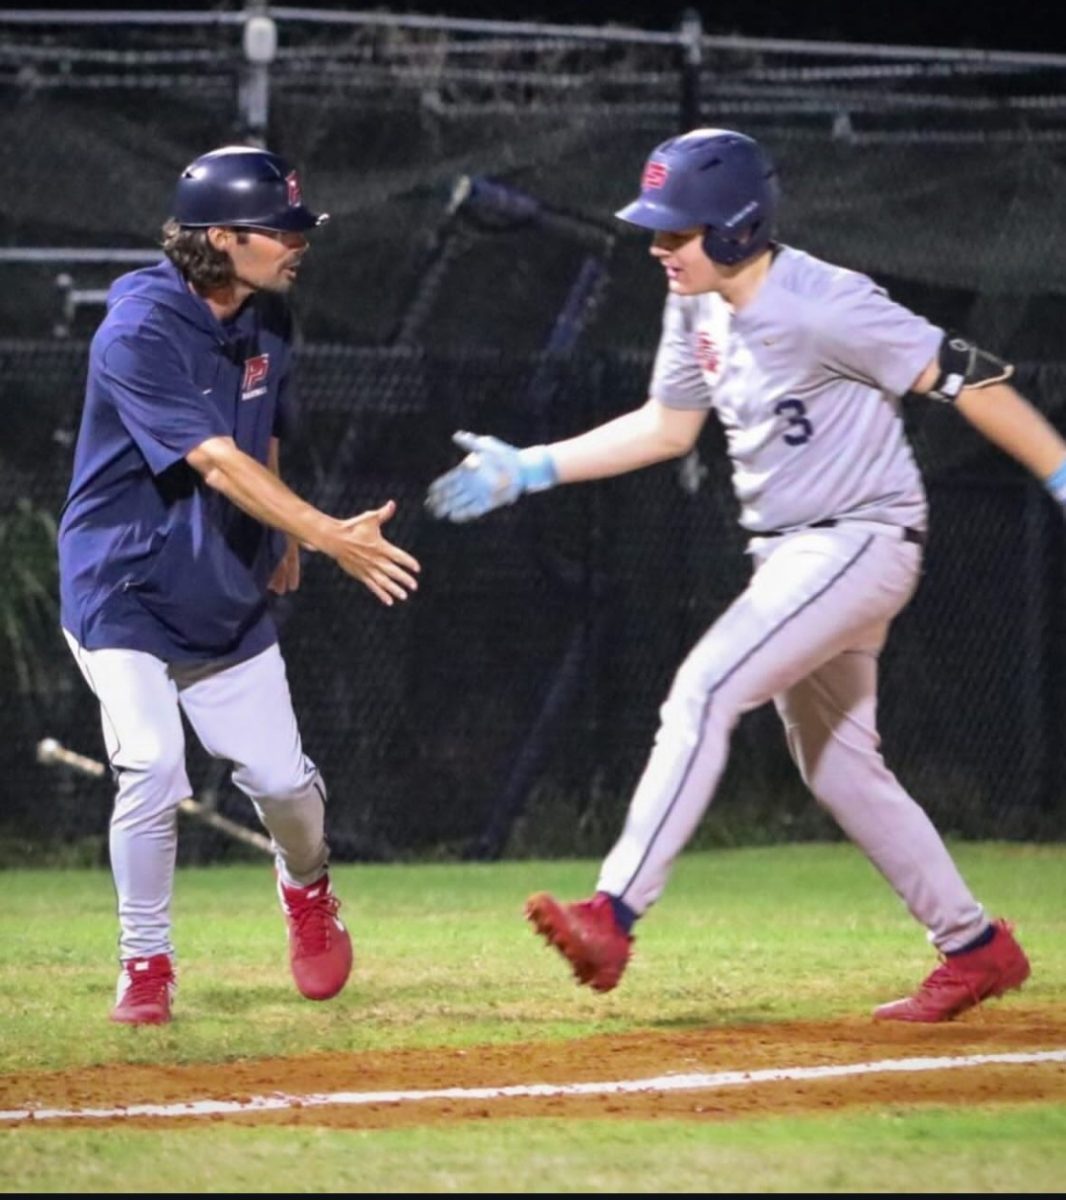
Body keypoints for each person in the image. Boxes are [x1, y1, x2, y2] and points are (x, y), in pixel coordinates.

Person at [425, 127, 1066, 1022]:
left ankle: (613, 913)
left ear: (736, 228)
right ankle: (976, 947)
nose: (658, 246)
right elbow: (665, 428)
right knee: (842, 768)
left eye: (675, 231)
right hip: (793, 553)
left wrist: (1059, 468)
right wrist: (535, 465)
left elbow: (967, 375)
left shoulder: (826, 301)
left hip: (862, 540)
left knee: (706, 689)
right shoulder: (697, 304)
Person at [57, 145, 421, 1025]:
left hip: (221, 588)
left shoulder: (268, 315)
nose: (298, 241)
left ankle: (306, 886)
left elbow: (260, 431)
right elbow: (214, 460)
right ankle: (145, 964)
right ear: (221, 237)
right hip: (122, 586)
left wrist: (280, 532)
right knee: (150, 764)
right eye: (281, 229)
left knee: (286, 790)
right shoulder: (137, 330)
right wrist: (325, 532)